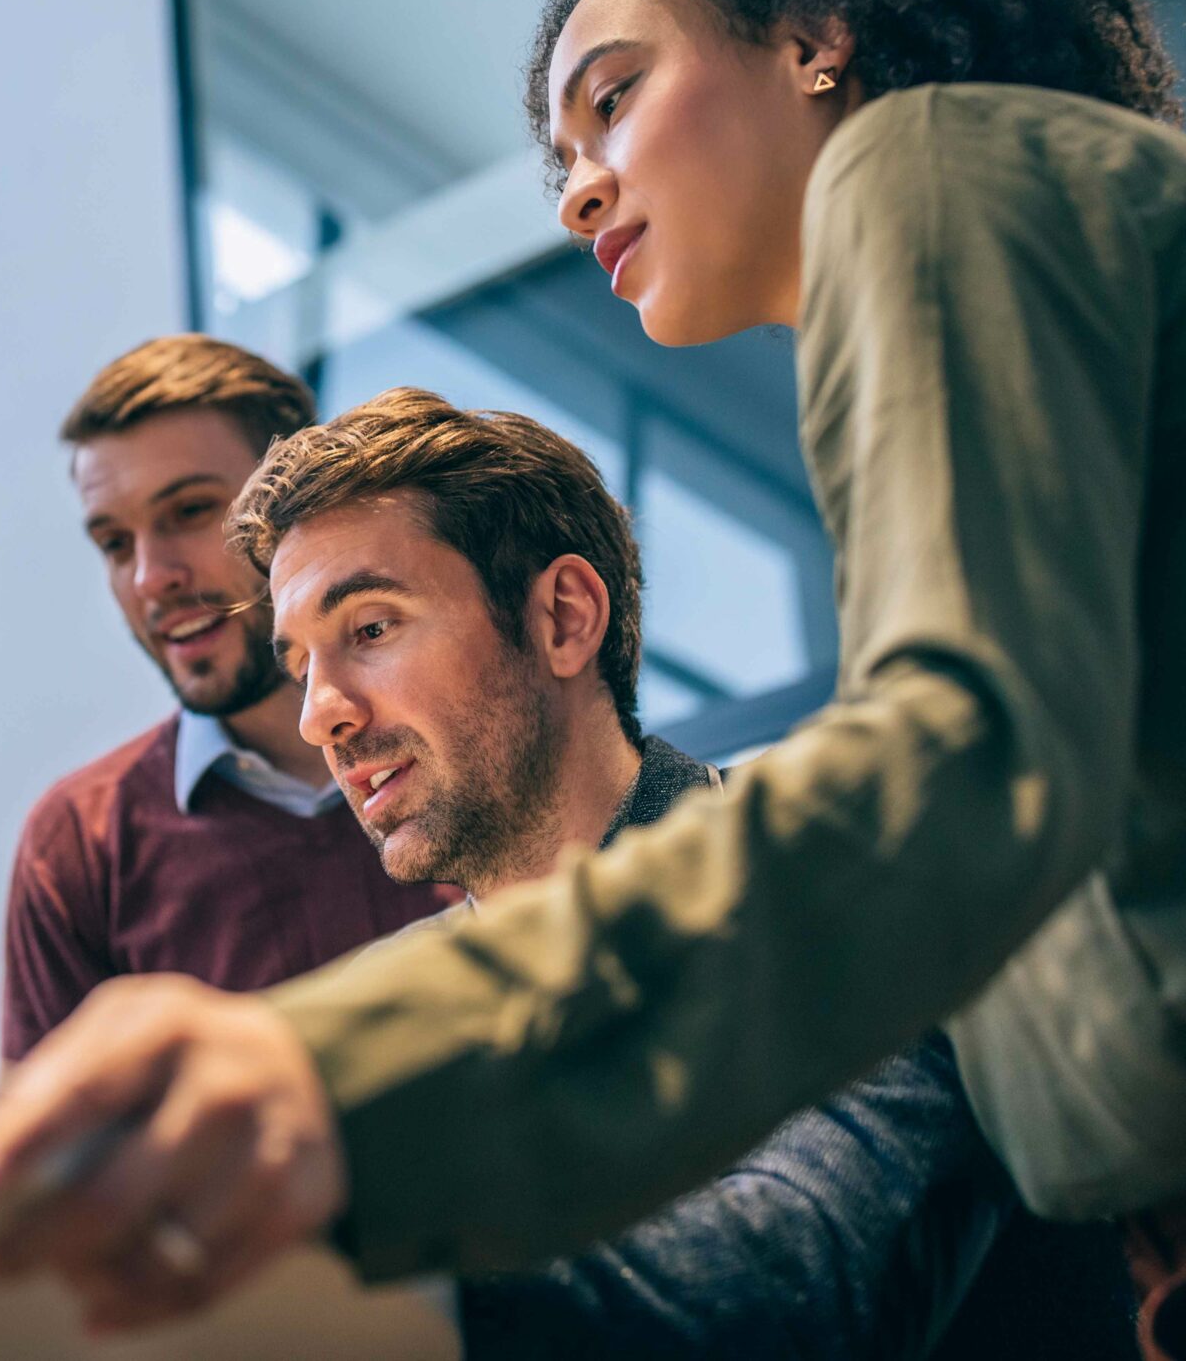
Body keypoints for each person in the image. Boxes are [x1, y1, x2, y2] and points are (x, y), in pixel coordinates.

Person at [0, 0, 1186, 1356]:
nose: (577, 192)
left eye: (612, 99)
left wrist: (342, 1072)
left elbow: (966, 756)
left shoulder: (935, 160)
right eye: (558, 157)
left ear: (816, 35)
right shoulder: (1164, 252)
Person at [256, 386, 1134, 1357]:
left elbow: (792, 1280)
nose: (317, 715)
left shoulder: (831, 884)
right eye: (299, 666)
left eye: (370, 629)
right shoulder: (405, 1007)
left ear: (562, 618)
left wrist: (343, 1268)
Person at [0, 336, 453, 1061]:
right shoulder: (80, 847)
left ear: (298, 501)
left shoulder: (465, 749)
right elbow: (51, 1165)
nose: (151, 576)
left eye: (188, 511)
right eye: (115, 543)